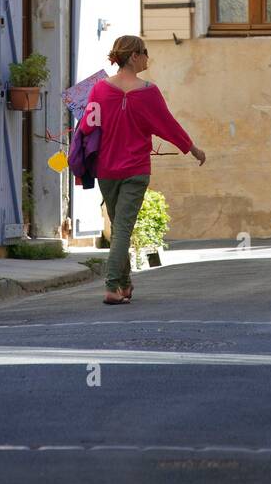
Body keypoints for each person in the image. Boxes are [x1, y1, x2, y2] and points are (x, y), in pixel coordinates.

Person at [79, 34, 206, 305]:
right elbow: (168, 125)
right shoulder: (149, 91)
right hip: (135, 169)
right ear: (134, 56)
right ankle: (112, 286)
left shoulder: (99, 89)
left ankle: (124, 284)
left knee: (119, 226)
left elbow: (88, 126)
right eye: (145, 52)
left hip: (106, 169)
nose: (148, 57)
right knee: (123, 228)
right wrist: (192, 149)